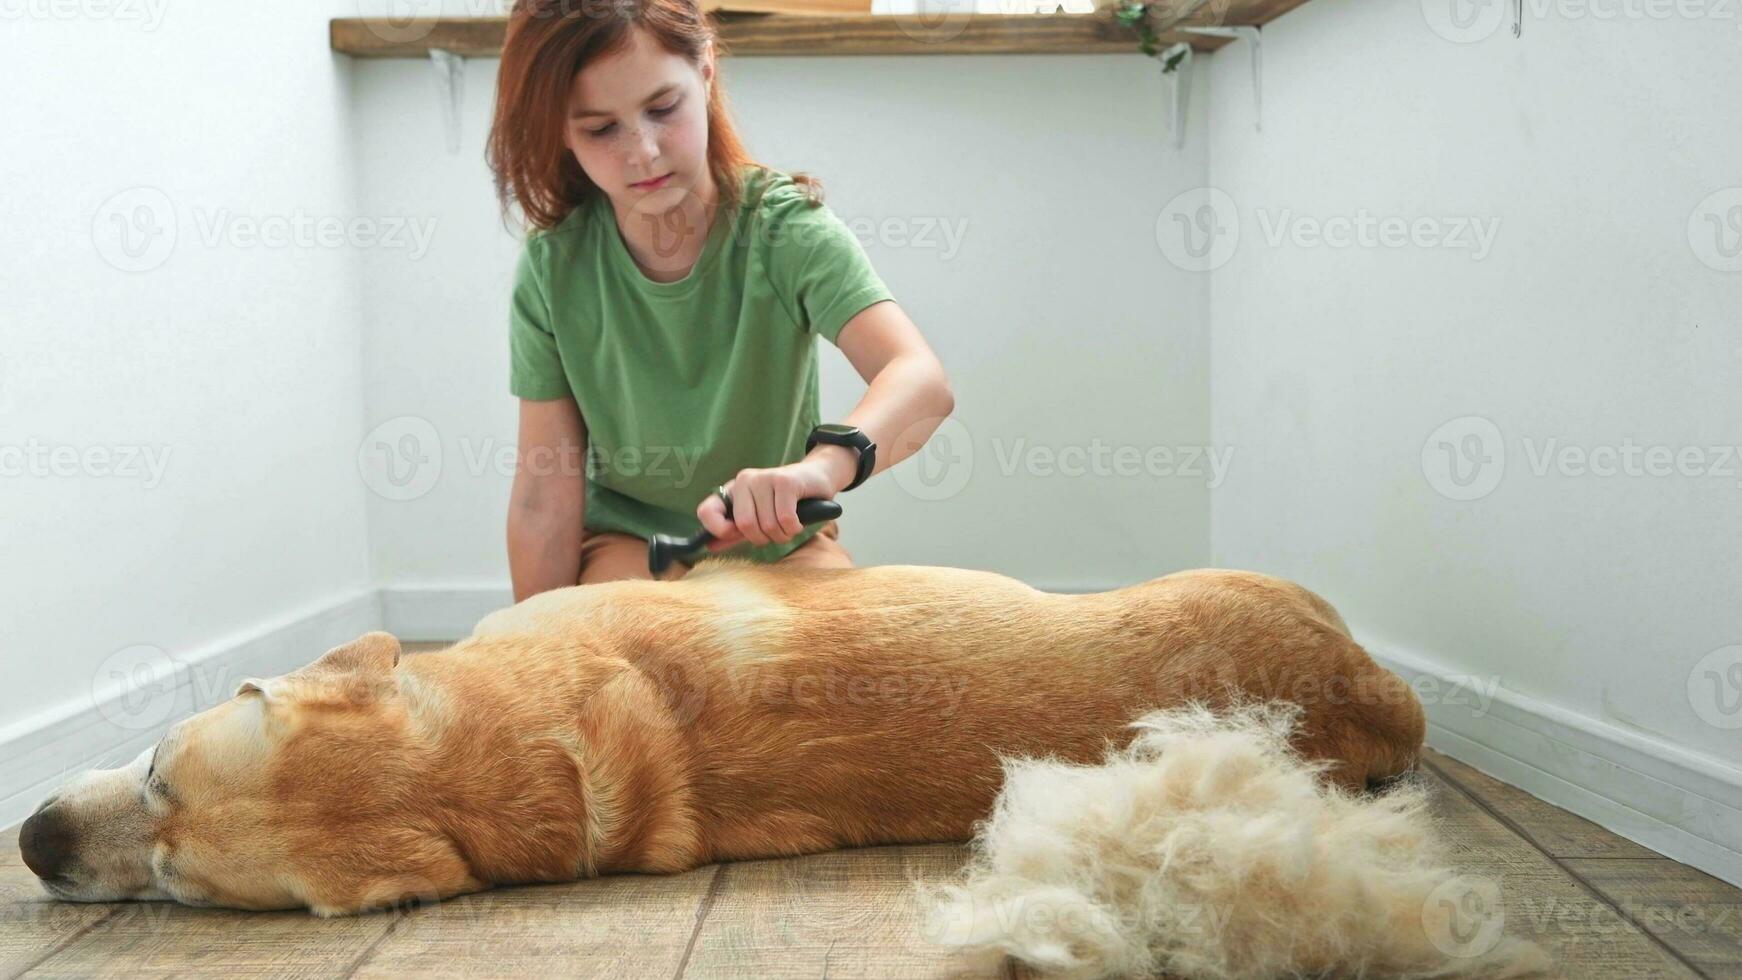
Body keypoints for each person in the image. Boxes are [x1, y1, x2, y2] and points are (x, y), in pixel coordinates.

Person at [487, 0, 955, 601]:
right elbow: (542, 492)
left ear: (705, 68)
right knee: (629, 668)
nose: (644, 152)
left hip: (784, 551)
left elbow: (920, 380)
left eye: (662, 109)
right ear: (558, 128)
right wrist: (528, 656)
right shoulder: (555, 266)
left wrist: (819, 470)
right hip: (631, 549)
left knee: (836, 674)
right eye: (601, 128)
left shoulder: (786, 231)